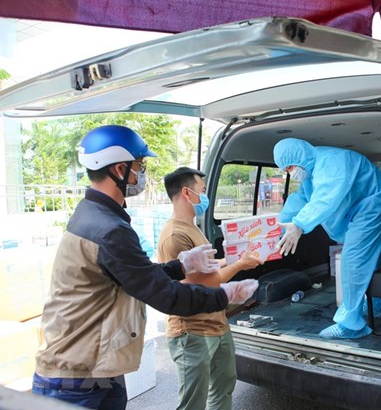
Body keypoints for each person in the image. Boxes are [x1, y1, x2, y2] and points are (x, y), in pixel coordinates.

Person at [31, 125, 246, 409]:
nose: (142, 175)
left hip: (96, 366)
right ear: (119, 169)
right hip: (75, 376)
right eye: (140, 166)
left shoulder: (94, 215)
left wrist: (180, 265)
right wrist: (225, 295)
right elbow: (165, 296)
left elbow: (133, 277)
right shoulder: (108, 229)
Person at [157, 167, 262, 410]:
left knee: (223, 388)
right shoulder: (174, 235)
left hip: (216, 324)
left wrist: (236, 259)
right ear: (187, 192)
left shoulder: (191, 226)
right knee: (194, 402)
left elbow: (206, 267)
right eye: (202, 191)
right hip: (191, 331)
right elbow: (199, 284)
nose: (205, 197)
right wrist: (239, 265)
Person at [273, 138, 381, 340]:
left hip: (371, 207)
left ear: (299, 156)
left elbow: (325, 198)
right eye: (285, 170)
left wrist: (299, 224)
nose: (290, 173)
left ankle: (351, 325)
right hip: (356, 210)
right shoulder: (310, 172)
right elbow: (301, 199)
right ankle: (378, 304)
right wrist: (279, 226)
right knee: (368, 257)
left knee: (352, 259)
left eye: (290, 167)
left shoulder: (332, 161)